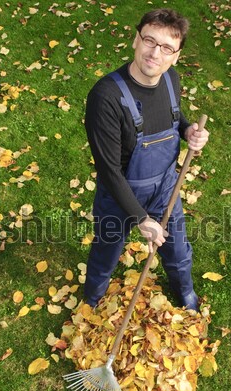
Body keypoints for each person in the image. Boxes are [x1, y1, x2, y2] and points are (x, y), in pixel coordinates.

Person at [83, 9, 209, 310]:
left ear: (176, 56)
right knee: (106, 253)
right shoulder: (106, 97)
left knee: (178, 251)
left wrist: (188, 130)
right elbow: (109, 171)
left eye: (167, 48)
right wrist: (141, 219)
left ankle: (185, 293)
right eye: (150, 41)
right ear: (135, 40)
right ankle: (91, 301)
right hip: (119, 193)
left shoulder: (170, 80)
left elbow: (173, 119)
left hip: (165, 188)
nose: (156, 53)